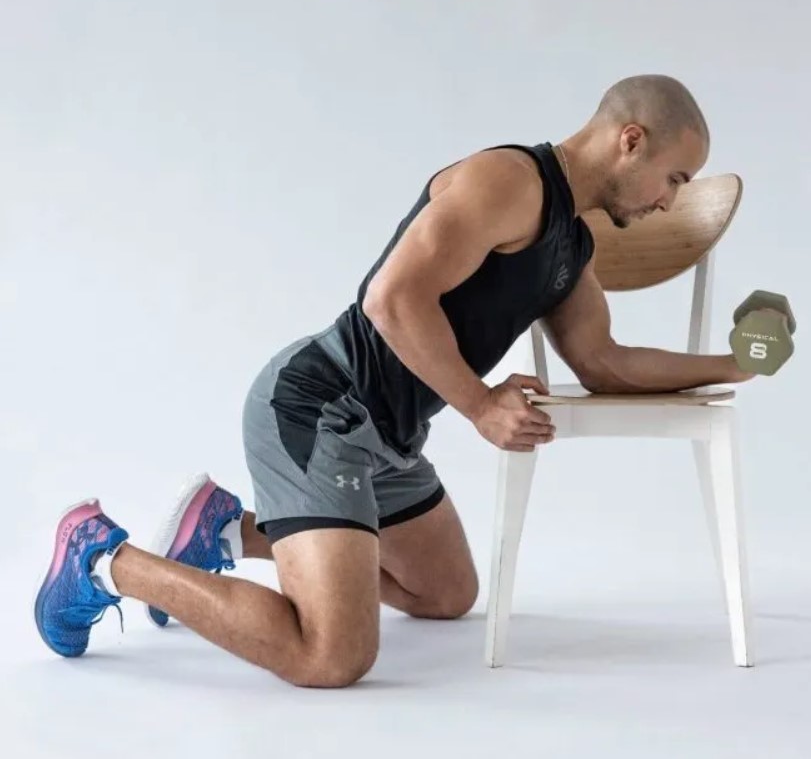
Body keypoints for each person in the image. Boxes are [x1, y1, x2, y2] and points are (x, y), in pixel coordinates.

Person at [34, 74, 757, 687]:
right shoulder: (509, 181)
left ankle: (225, 530)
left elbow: (606, 362)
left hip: (388, 436)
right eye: (675, 178)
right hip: (320, 406)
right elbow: (390, 298)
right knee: (334, 652)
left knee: (447, 593)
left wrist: (739, 364)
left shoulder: (571, 242)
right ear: (630, 140)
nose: (670, 200)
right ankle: (103, 557)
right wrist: (479, 405)